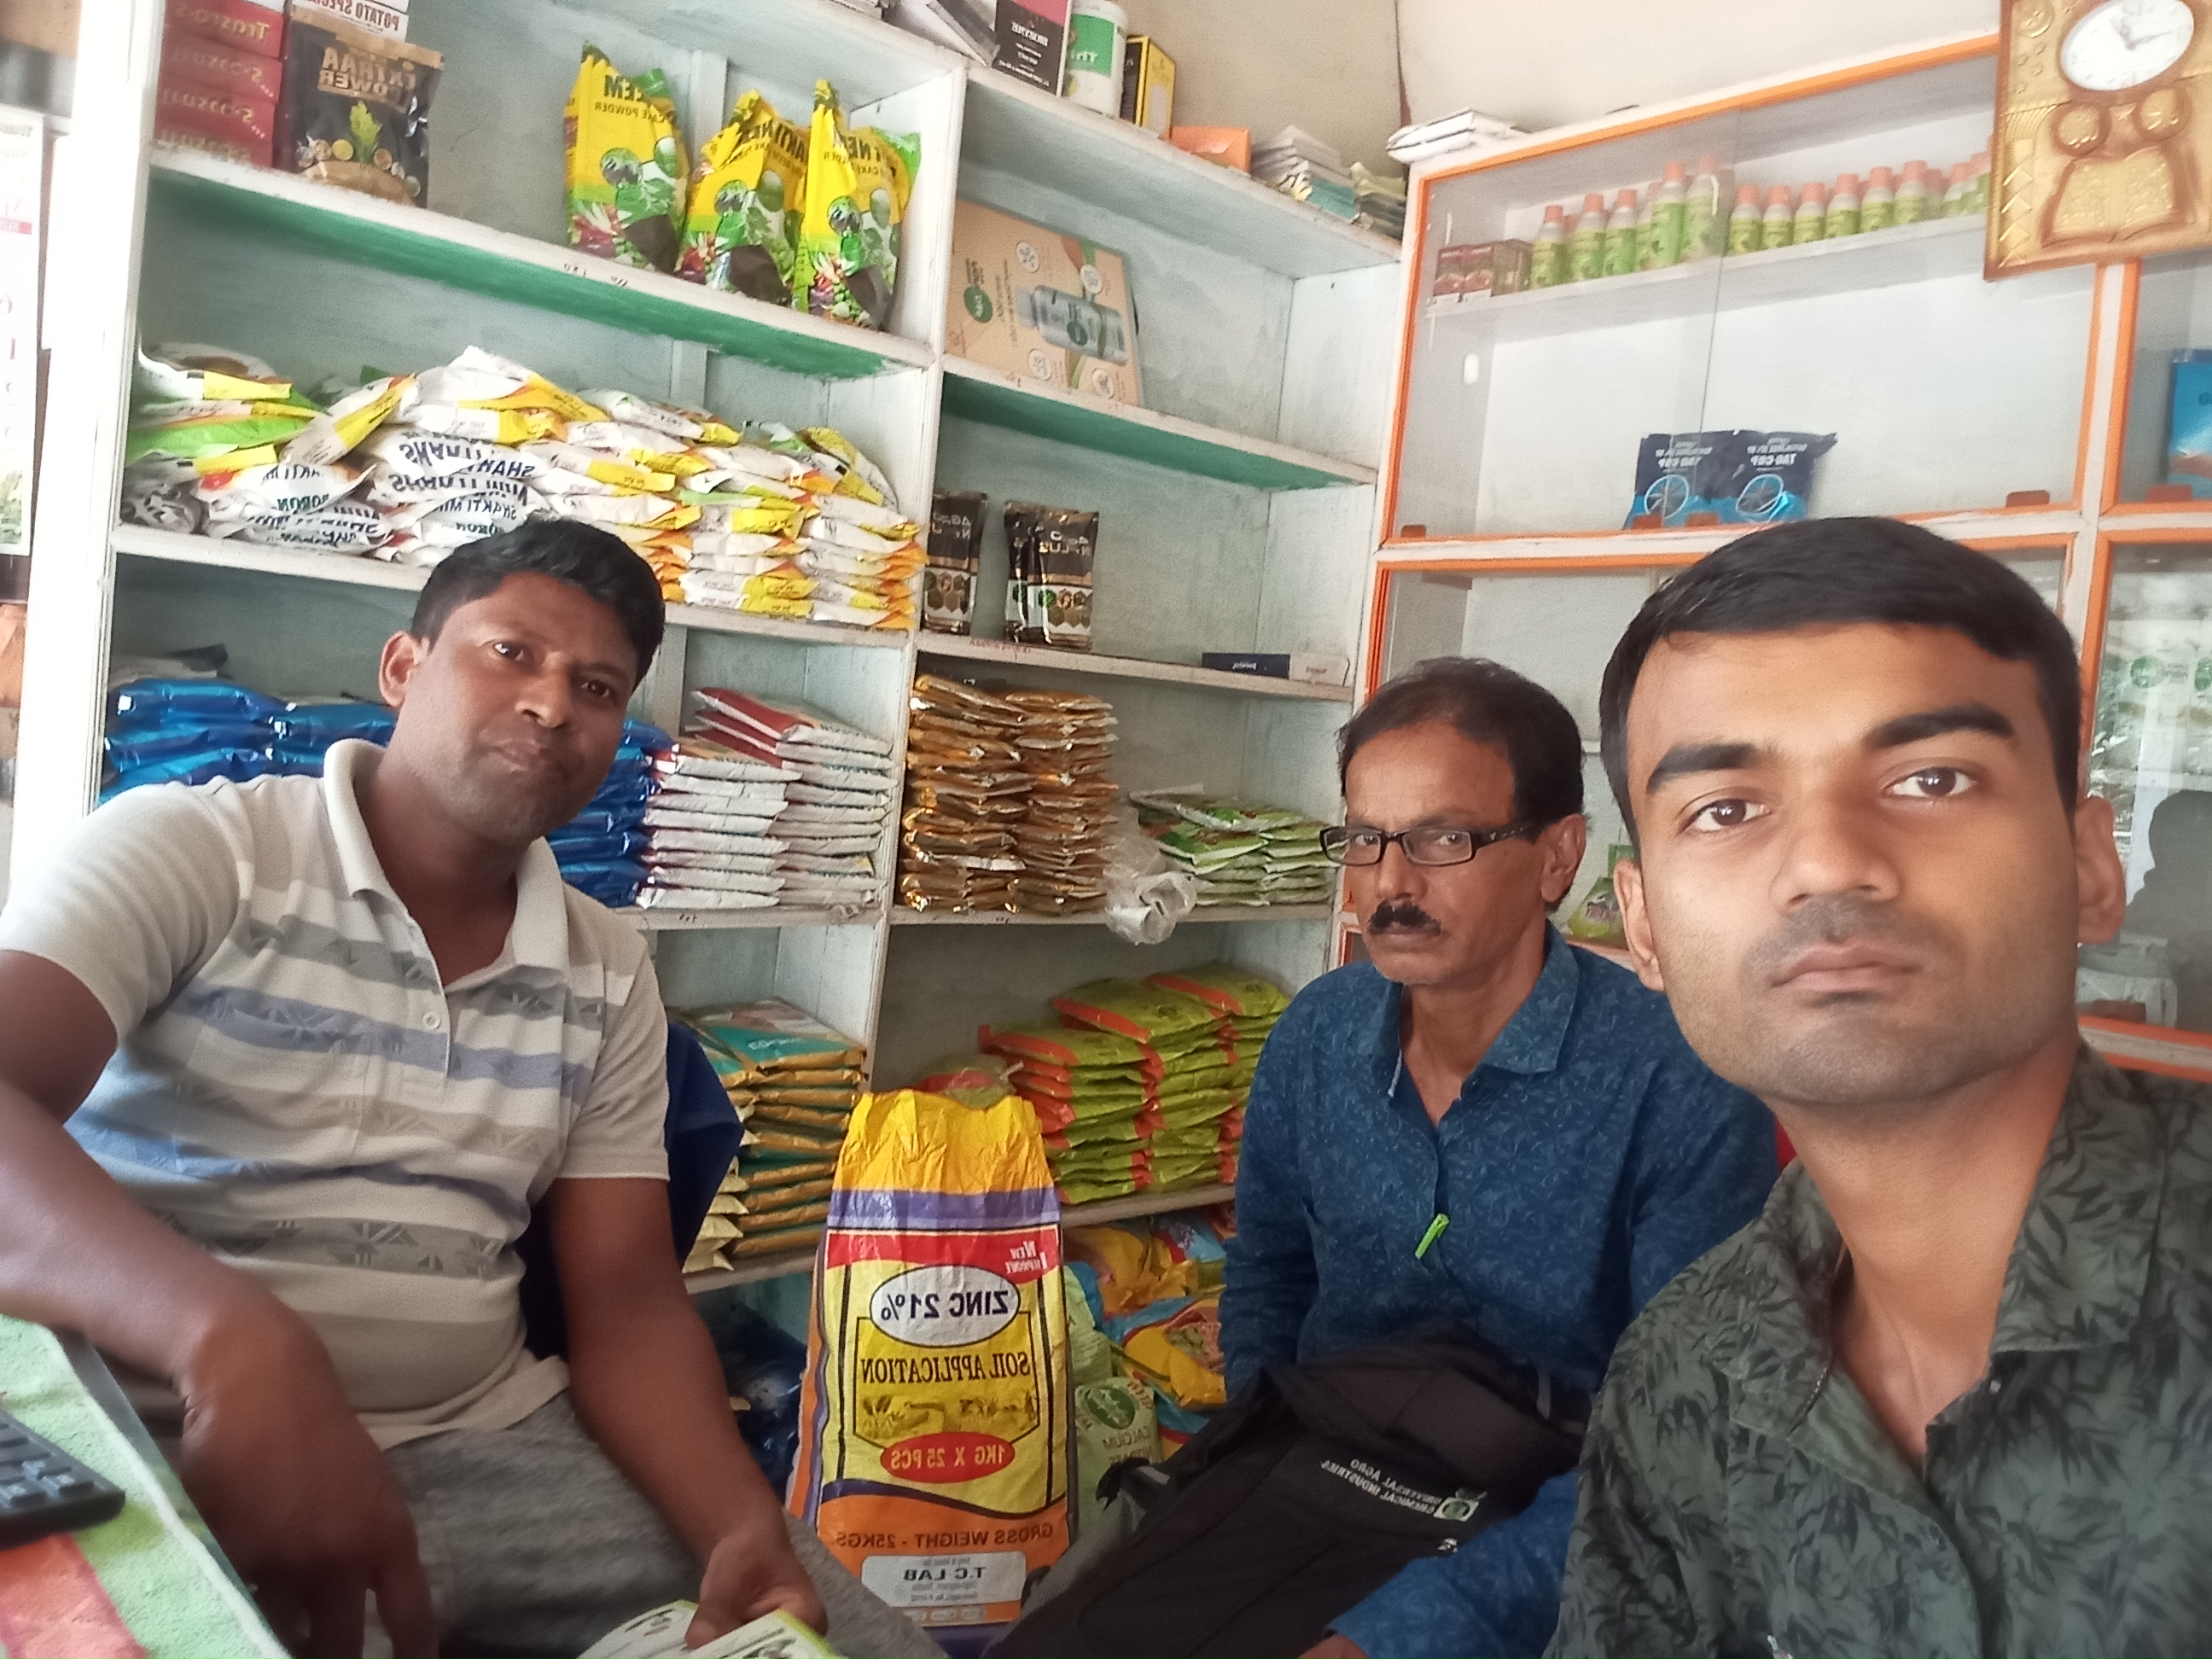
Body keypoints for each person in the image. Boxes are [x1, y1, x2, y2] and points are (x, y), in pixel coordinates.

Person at [0, 522, 939, 1659]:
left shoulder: (605, 964)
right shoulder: (200, 849)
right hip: (166, 1433)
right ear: (404, 668)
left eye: (597, 687)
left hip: (494, 1448)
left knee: (845, 1638)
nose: (551, 704)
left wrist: (739, 1522)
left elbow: (628, 1305)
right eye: (511, 653)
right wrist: (232, 1341)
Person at [1547, 517, 2212, 1657]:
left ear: (2089, 866)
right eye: (1725, 808)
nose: (1826, 862)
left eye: (1931, 778)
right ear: (1643, 926)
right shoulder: (1682, 1379)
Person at [1221, 657, 1778, 1659]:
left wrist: (1408, 1633)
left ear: (1557, 857)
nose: (1391, 885)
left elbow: (1682, 1440)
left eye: (1445, 839)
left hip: (1560, 1531)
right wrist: (1246, 1476)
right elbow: (1268, 1275)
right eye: (1365, 838)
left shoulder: (1680, 1079)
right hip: (1326, 1478)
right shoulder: (1317, 1034)